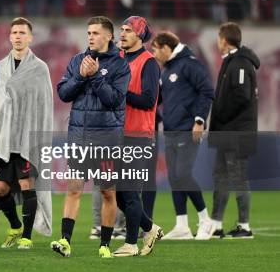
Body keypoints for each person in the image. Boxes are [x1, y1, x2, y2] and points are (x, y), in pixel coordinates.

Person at [51, 16, 130, 259]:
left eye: (96, 33)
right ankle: (65, 240)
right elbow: (63, 92)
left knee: (107, 192)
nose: (91, 37)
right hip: (79, 135)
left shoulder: (120, 65)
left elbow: (115, 100)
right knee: (74, 189)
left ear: (108, 36)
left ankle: (105, 244)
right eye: (88, 33)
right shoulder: (77, 60)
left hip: (107, 137)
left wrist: (95, 76)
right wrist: (81, 76)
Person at [0, 17, 54, 249]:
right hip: (3, 140)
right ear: (9, 36)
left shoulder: (39, 68)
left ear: (30, 37)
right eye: (14, 32)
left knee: (27, 184)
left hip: (27, 138)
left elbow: (44, 105)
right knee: (0, 188)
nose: (17, 36)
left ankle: (26, 236)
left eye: (22, 32)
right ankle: (14, 225)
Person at [152, 31, 215, 240]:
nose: (153, 54)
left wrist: (199, 120)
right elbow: (157, 99)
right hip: (170, 130)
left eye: (155, 49)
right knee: (174, 177)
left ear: (166, 47)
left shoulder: (190, 64)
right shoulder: (166, 70)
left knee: (183, 174)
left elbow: (207, 91)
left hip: (188, 129)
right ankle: (182, 226)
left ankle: (206, 220)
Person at [112, 16, 163, 257]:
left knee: (130, 192)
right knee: (120, 196)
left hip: (138, 136)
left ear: (140, 35)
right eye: (121, 29)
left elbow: (148, 99)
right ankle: (150, 228)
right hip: (117, 134)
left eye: (128, 30)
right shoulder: (118, 58)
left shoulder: (149, 62)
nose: (122, 34)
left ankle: (131, 244)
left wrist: (120, 93)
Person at [209, 22, 259, 239]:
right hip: (227, 131)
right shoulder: (232, 62)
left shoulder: (239, 63)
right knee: (220, 176)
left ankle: (244, 226)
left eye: (219, 38)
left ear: (225, 40)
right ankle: (216, 224)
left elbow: (241, 97)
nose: (218, 42)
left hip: (236, 132)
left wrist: (220, 115)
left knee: (238, 177)